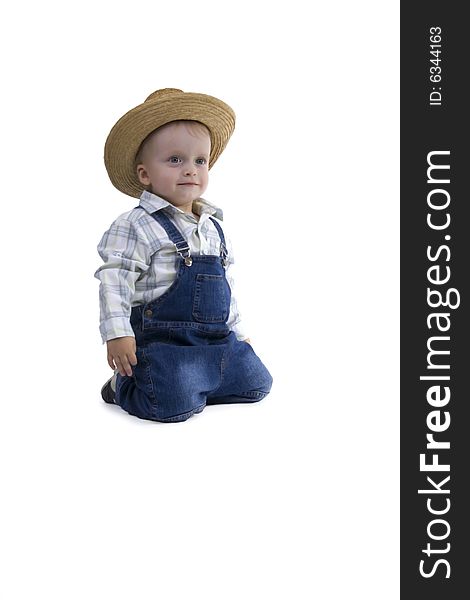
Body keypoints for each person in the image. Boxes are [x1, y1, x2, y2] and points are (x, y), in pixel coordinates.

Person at [94, 88, 273, 423]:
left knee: (257, 383)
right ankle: (124, 386)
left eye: (199, 161)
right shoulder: (135, 225)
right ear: (144, 174)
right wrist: (117, 333)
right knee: (172, 405)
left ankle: (197, 383)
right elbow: (114, 278)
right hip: (163, 345)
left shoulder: (213, 227)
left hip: (214, 342)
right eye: (175, 160)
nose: (190, 170)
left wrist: (237, 332)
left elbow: (225, 289)